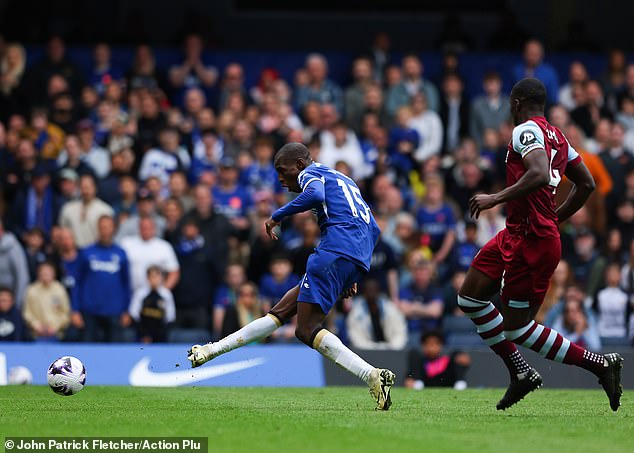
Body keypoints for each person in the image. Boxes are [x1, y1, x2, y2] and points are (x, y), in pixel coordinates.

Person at [188, 142, 396, 411]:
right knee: (280, 312)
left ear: (299, 164)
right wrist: (352, 267)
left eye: (282, 171)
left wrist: (277, 216)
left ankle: (371, 375)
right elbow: (374, 227)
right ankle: (210, 350)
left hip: (334, 252)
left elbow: (314, 194)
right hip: (353, 254)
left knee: (306, 329)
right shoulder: (344, 179)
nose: (280, 179)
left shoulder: (311, 174)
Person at [458, 78, 623, 411]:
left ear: (517, 103)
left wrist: (495, 198)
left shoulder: (524, 131)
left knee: (517, 329)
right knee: (470, 298)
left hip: (532, 242)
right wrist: (554, 216)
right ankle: (520, 373)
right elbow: (586, 184)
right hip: (517, 233)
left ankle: (600, 364)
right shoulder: (560, 137)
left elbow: (535, 172)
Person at [74, 215, 132, 342]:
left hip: (114, 311)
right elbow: (78, 282)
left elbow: (126, 283)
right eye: (102, 227)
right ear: (98, 229)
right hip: (90, 311)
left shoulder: (120, 253)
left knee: (114, 352)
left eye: (108, 227)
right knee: (88, 350)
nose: (105, 230)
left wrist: (127, 310)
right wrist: (75, 310)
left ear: (113, 229)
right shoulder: (86, 253)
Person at [347, 278, 407, 350]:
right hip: (366, 353)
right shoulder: (355, 312)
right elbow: (356, 339)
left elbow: (400, 333)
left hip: (390, 351)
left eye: (373, 290)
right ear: (364, 292)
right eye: (369, 290)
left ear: (378, 291)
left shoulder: (391, 308)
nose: (371, 293)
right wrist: (375, 348)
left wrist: (389, 347)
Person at [405, 330, 470, 390]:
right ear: (423, 346)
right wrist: (410, 380)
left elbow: (461, 359)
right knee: (413, 353)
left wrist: (460, 356)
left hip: (448, 386)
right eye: (428, 343)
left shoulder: (448, 362)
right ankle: (418, 384)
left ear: (440, 345)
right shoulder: (419, 363)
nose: (431, 347)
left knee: (457, 355)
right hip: (423, 386)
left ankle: (460, 384)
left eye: (435, 343)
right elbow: (409, 376)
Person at [22, 261, 70, 341]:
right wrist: (37, 326)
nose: (45, 275)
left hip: (57, 333)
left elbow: (65, 313)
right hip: (35, 334)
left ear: (53, 274)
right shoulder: (31, 290)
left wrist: (55, 327)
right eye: (43, 273)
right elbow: (27, 312)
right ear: (38, 274)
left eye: (48, 273)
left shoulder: (59, 289)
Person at [128, 265, 175, 343]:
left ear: (161, 278)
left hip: (161, 336)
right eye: (152, 276)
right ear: (147, 278)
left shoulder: (166, 294)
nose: (155, 279)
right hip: (142, 336)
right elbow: (134, 315)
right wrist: (144, 335)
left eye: (157, 276)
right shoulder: (140, 294)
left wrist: (160, 335)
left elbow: (170, 317)